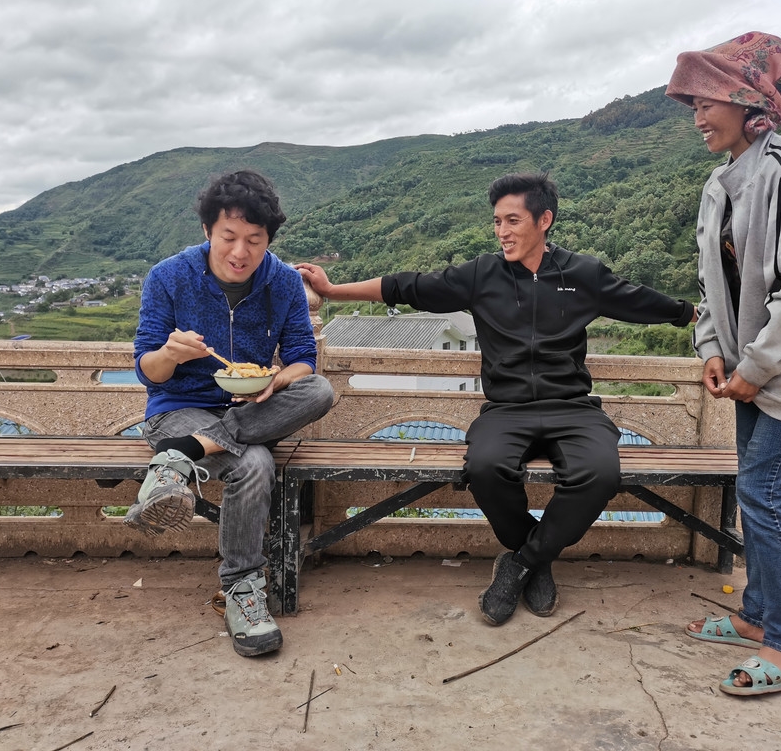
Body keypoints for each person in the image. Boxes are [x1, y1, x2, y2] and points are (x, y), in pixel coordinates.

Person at [296, 172, 696, 626]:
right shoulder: (482, 275)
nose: (502, 231)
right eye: (496, 222)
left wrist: (704, 316)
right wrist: (332, 291)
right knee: (485, 469)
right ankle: (537, 557)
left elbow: (648, 303)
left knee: (600, 473)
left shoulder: (583, 274)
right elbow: (406, 286)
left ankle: (520, 563)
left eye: (512, 220)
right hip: (507, 410)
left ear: (544, 220)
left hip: (572, 408)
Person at [666, 33, 781, 696]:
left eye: (708, 102)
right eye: (694, 105)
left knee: (763, 498)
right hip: (749, 369)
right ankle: (755, 617)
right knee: (754, 492)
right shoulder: (722, 183)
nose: (697, 117)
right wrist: (712, 349)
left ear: (749, 101)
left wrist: (759, 364)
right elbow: (711, 280)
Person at [126, 169, 335, 657]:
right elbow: (147, 372)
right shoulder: (169, 277)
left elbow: (305, 355)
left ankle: (178, 460)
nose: (241, 252)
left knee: (320, 390)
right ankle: (242, 589)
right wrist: (172, 355)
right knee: (256, 463)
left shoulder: (282, 281)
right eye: (229, 237)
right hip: (178, 410)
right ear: (207, 231)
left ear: (268, 240)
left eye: (255, 241)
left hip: (253, 407)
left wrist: (282, 377)